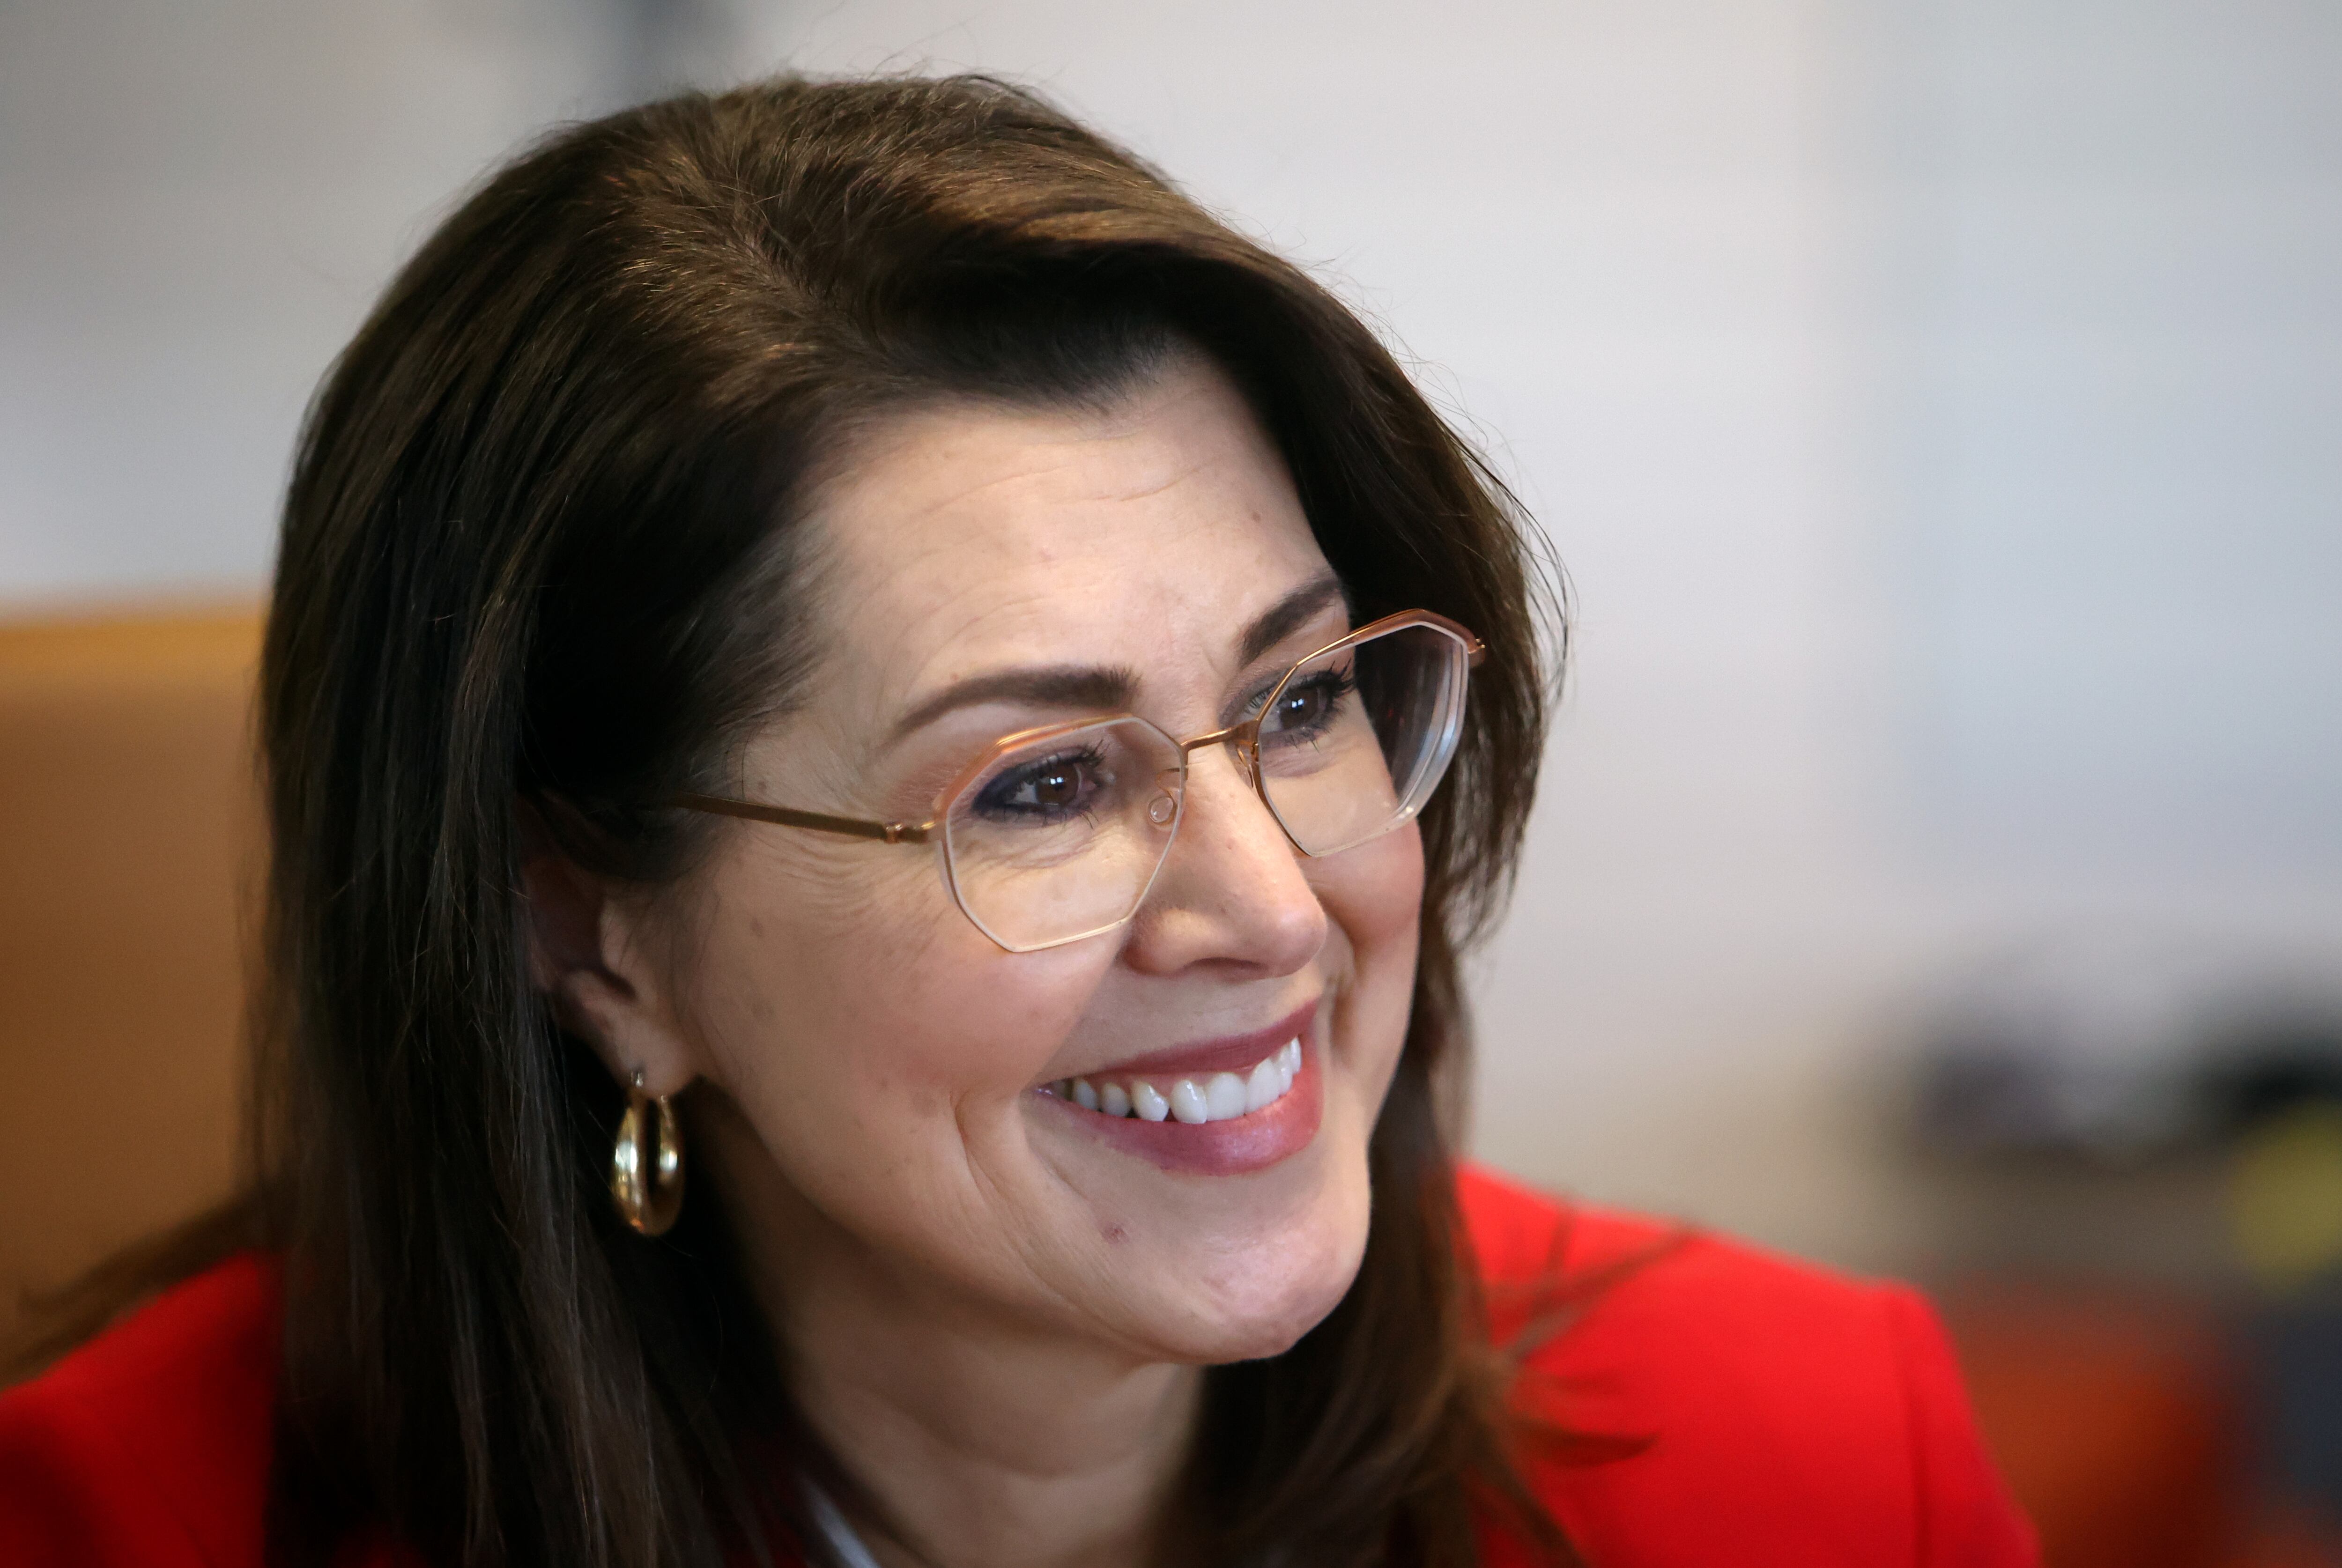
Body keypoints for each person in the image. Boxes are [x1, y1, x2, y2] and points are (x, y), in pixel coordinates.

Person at [0, 76, 2036, 1568]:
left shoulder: (1813, 1460)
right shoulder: (115, 1518)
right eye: (1041, 783)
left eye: (1301, 698)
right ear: (590, 940)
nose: (1270, 909)